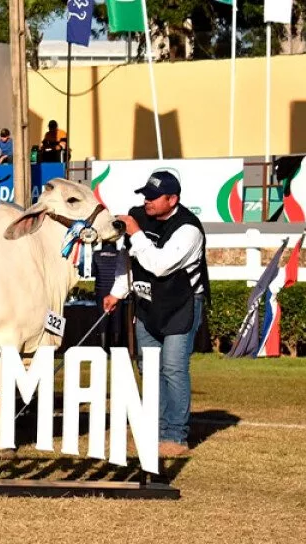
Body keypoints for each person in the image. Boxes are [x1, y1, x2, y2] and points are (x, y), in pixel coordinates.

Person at [103, 170, 210, 457]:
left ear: (172, 199)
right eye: (145, 195)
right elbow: (127, 259)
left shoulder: (189, 229)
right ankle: (155, 429)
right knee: (148, 368)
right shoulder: (138, 217)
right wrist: (117, 292)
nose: (147, 201)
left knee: (173, 368)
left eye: (153, 197)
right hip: (148, 303)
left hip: (181, 305)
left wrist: (136, 232)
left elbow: (160, 265)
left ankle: (175, 435)